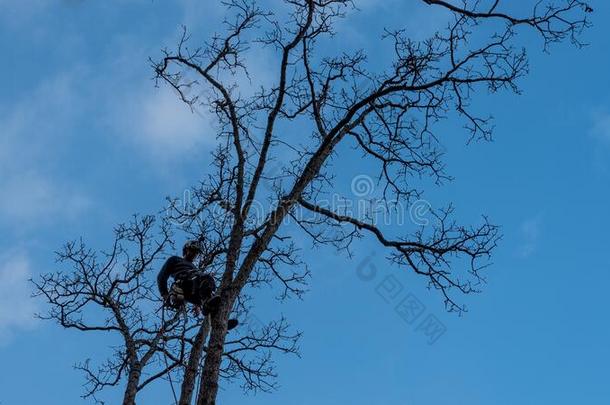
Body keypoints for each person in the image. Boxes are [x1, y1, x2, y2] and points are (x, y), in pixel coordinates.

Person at [157, 240, 238, 330]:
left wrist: (197, 305)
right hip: (183, 284)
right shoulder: (175, 259)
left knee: (215, 299)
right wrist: (165, 294)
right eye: (192, 251)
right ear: (186, 250)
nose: (194, 254)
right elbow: (161, 277)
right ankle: (206, 303)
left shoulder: (194, 268)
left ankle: (219, 321)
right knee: (206, 278)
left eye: (196, 253)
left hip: (193, 290)